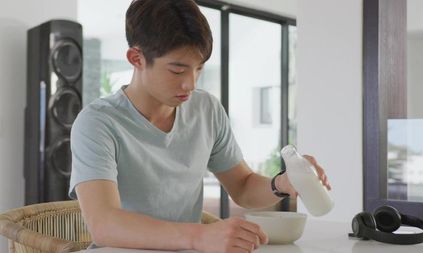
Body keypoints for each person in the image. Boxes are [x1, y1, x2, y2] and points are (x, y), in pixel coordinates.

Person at [69, 0, 331, 252]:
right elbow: (104, 225)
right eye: (177, 70)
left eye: (199, 69)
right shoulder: (98, 123)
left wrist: (282, 183)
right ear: (136, 58)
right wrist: (201, 236)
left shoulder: (206, 109)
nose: (190, 84)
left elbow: (243, 187)